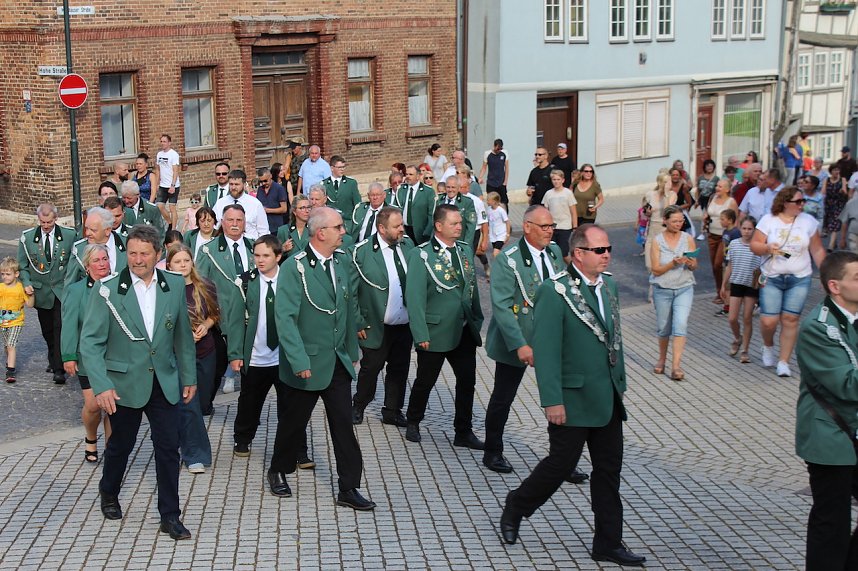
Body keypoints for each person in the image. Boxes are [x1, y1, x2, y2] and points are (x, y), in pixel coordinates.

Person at [500, 224, 646, 568]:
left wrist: (619, 383)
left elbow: (613, 339)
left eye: (608, 248)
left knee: (608, 471)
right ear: (578, 253)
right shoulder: (555, 291)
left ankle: (608, 543)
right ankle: (517, 505)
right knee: (560, 465)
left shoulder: (609, 285)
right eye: (599, 250)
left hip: (606, 397)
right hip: (572, 398)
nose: (607, 255)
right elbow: (547, 350)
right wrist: (552, 399)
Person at [80, 225, 197, 540]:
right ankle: (109, 491)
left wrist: (188, 376)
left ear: (158, 254)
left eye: (144, 253)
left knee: (168, 448)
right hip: (123, 384)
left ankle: (170, 516)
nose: (137, 259)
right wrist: (101, 385)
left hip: (164, 381)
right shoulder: (107, 289)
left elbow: (182, 336)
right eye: (132, 253)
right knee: (121, 445)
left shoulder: (173, 284)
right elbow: (90, 343)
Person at [270, 207, 375, 510]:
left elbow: (346, 310)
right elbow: (285, 319)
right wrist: (299, 361)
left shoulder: (342, 262)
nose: (344, 231)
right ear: (321, 233)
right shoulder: (295, 268)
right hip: (307, 362)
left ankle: (349, 487)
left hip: (336, 362)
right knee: (293, 423)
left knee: (343, 425)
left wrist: (351, 353)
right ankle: (278, 469)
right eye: (338, 227)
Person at [483, 205, 571, 475]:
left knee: (561, 397)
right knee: (503, 397)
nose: (550, 231)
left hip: (553, 339)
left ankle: (562, 459)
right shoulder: (508, 259)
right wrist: (520, 344)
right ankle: (492, 451)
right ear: (528, 227)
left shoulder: (554, 253)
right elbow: (501, 306)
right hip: (519, 338)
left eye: (552, 226)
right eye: (544, 226)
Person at [795, 250, 858, 571]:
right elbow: (847, 385)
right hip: (830, 438)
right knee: (832, 522)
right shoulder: (818, 328)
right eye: (857, 278)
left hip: (853, 432)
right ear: (835, 286)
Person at [228, 235, 313, 468]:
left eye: (266, 255)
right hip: (256, 357)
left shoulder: (292, 279)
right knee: (249, 403)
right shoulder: (245, 282)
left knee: (292, 406)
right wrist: (235, 354)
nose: (260, 260)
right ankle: (242, 438)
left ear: (278, 256)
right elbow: (235, 321)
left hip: (284, 358)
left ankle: (299, 450)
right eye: (256, 255)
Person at [404, 204, 484, 448]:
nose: (460, 227)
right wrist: (420, 333)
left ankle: (463, 431)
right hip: (435, 331)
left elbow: (471, 288)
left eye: (460, 223)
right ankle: (413, 420)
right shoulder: (422, 255)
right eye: (454, 223)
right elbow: (415, 297)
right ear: (439, 226)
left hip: (463, 329)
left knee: (467, 382)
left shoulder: (464, 250)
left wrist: (476, 319)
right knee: (425, 380)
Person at [751, 186, 827, 377]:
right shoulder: (769, 220)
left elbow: (817, 250)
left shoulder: (808, 221)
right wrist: (767, 248)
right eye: (798, 201)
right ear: (785, 203)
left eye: (803, 201)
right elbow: (754, 245)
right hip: (772, 276)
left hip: (799, 277)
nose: (802, 205)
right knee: (769, 321)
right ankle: (768, 345)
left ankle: (783, 361)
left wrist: (826, 275)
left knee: (790, 319)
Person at [351, 207, 415, 426]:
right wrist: (357, 321)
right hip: (376, 323)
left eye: (402, 224)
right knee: (370, 369)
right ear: (381, 228)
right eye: (396, 226)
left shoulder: (407, 246)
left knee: (399, 369)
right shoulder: (361, 252)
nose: (402, 229)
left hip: (404, 323)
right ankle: (359, 404)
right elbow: (351, 292)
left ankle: (393, 410)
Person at [166, 243, 220, 465]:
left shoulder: (205, 285)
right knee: (189, 404)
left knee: (202, 402)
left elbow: (215, 314)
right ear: (169, 265)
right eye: (177, 261)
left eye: (186, 261)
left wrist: (205, 326)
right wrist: (183, 334)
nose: (182, 265)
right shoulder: (165, 290)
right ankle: (195, 454)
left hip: (205, 352)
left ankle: (181, 439)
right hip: (179, 356)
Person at [196, 204, 256, 394]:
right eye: (230, 220)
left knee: (253, 376)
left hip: (252, 320)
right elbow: (201, 287)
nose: (235, 224)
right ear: (222, 222)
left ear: (245, 223)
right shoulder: (208, 250)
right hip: (222, 321)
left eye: (239, 220)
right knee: (216, 372)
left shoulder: (255, 247)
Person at [61, 244, 113, 461]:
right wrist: (69, 356)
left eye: (105, 259)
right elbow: (69, 324)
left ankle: (112, 449)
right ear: (87, 265)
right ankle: (91, 437)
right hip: (87, 357)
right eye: (96, 260)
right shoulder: (76, 291)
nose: (102, 264)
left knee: (113, 406)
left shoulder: (119, 286)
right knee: (93, 405)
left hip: (115, 357)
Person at [18, 203, 76, 384]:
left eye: (49, 222)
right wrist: (26, 283)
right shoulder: (28, 238)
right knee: (48, 330)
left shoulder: (69, 235)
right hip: (41, 292)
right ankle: (53, 357)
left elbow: (74, 261)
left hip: (61, 290)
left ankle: (59, 369)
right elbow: (22, 265)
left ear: (55, 219)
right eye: (42, 222)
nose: (46, 226)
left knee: (60, 327)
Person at [649, 206, 698, 381]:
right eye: (674, 221)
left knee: (680, 324)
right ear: (665, 220)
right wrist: (673, 263)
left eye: (681, 221)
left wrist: (691, 263)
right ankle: (661, 359)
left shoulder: (688, 238)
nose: (678, 224)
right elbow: (655, 270)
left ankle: (676, 365)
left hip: (684, 287)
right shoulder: (657, 241)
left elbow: (694, 265)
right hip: (662, 289)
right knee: (664, 328)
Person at [720, 218, 761, 364]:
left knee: (747, 317)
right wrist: (723, 284)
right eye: (744, 228)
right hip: (736, 282)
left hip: (751, 285)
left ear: (754, 230)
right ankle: (738, 338)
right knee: (732, 318)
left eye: (750, 229)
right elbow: (730, 265)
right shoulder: (734, 244)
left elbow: (763, 267)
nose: (746, 232)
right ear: (740, 228)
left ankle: (745, 350)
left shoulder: (758, 246)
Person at [65, 207, 128, 288]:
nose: (87, 233)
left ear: (107, 230)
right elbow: (69, 286)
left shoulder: (127, 243)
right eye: (86, 228)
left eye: (93, 230)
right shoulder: (79, 249)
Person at [703, 179, 738, 303]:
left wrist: (733, 237)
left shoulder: (731, 202)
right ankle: (719, 292)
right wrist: (705, 217)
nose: (717, 188)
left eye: (720, 186)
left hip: (724, 237)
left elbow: (735, 220)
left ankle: (725, 293)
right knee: (714, 266)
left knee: (718, 264)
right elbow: (708, 212)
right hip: (711, 234)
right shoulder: (712, 198)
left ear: (727, 189)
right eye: (717, 186)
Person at [0, 257, 35, 383]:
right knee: (6, 346)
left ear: (16, 274)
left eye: (8, 274)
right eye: (2, 274)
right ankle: (9, 360)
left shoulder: (21, 288)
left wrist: (31, 295)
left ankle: (10, 371)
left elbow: (29, 305)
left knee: (11, 344)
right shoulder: (1, 287)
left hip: (17, 322)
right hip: (3, 322)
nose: (5, 277)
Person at [213, 169, 270, 240]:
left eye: (236, 184)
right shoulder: (220, 203)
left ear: (244, 184)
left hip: (250, 244)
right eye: (231, 184)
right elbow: (214, 227)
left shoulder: (255, 204)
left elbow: (264, 231)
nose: (233, 187)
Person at [643, 172, 677, 271]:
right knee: (649, 264)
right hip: (652, 231)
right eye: (666, 182)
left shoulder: (672, 195)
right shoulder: (650, 194)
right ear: (659, 182)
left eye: (670, 182)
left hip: (664, 230)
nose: (669, 184)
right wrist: (648, 212)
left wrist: (666, 195)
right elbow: (645, 211)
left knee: (662, 264)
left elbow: (667, 212)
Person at [541, 169, 578, 262]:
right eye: (554, 179)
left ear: (563, 180)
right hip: (553, 227)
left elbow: (573, 211)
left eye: (558, 179)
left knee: (564, 253)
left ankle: (572, 268)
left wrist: (575, 226)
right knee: (552, 252)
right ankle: (556, 269)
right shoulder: (548, 194)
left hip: (565, 226)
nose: (556, 182)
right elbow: (545, 211)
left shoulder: (568, 193)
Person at [391, 165, 434, 244]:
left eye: (411, 174)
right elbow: (395, 210)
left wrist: (427, 233)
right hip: (404, 230)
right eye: (406, 174)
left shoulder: (428, 191)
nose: (407, 176)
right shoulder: (400, 190)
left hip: (421, 232)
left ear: (418, 176)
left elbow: (432, 214)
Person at [155, 134, 181, 231]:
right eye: (161, 141)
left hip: (173, 185)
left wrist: (173, 185)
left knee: (172, 207)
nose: (162, 143)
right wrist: (157, 183)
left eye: (164, 141)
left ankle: (173, 228)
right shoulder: (159, 154)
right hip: (163, 185)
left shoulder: (173, 154)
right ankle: (170, 223)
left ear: (169, 143)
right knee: (159, 206)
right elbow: (158, 170)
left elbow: (175, 171)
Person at [255, 168, 288, 236]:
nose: (263, 183)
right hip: (263, 228)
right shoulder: (260, 189)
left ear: (270, 176)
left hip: (276, 227)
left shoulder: (279, 189)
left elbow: (284, 209)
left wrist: (267, 210)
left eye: (265, 181)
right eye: (261, 181)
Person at [824, 165, 849, 251]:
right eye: (834, 170)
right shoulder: (827, 180)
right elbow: (823, 192)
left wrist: (842, 190)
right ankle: (834, 243)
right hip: (828, 204)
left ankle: (830, 245)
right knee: (829, 223)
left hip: (838, 203)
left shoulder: (842, 179)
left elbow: (845, 192)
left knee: (835, 223)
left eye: (838, 170)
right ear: (831, 171)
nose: (836, 172)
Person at [479, 139, 510, 208]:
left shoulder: (504, 153)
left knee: (504, 202)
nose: (498, 150)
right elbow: (484, 167)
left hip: (501, 183)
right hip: (491, 183)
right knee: (491, 202)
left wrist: (505, 182)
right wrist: (480, 177)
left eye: (500, 149)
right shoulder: (487, 154)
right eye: (497, 148)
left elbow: (507, 168)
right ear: (494, 146)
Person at [486, 192, 511, 257]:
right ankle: (503, 262)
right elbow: (488, 221)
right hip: (493, 235)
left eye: (488, 200)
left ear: (494, 201)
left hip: (501, 235)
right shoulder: (488, 209)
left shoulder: (501, 211)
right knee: (498, 254)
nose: (487, 202)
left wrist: (508, 234)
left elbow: (507, 222)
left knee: (495, 253)